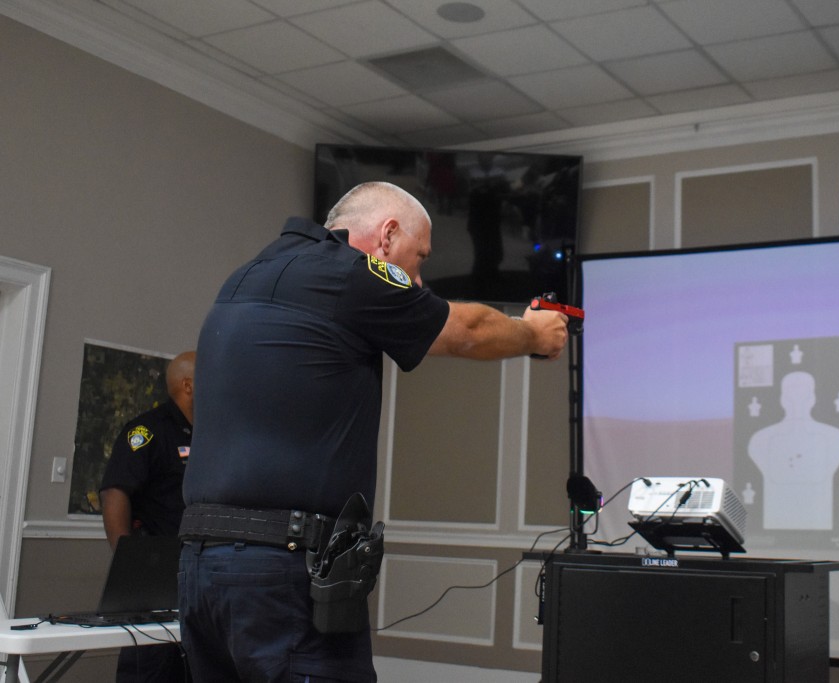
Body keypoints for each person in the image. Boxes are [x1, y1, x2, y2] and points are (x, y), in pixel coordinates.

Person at [178, 181, 568, 682]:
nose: (420, 279)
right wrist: (534, 333)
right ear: (386, 237)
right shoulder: (349, 272)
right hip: (285, 569)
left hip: (200, 568)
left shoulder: (244, 276)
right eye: (419, 256)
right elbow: (465, 331)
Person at [99, 350, 195, 683]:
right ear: (188, 385)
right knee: (152, 670)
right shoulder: (148, 430)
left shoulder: (215, 435)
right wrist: (129, 561)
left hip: (201, 573)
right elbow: (115, 492)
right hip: (155, 575)